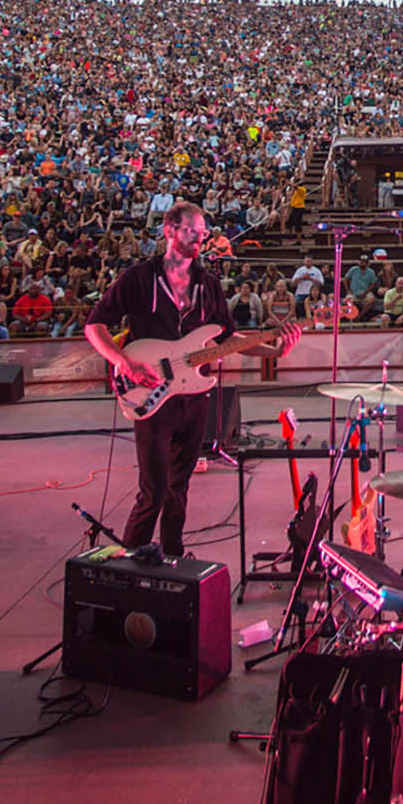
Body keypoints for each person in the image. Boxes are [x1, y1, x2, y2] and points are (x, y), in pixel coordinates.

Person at [86, 201, 299, 559]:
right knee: (152, 490)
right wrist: (123, 362)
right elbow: (95, 325)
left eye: (203, 233)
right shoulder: (139, 279)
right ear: (169, 229)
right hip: (152, 395)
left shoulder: (209, 285)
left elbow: (226, 340)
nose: (199, 238)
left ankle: (172, 557)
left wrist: (275, 352)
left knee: (178, 488)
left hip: (194, 399)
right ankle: (128, 565)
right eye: (191, 231)